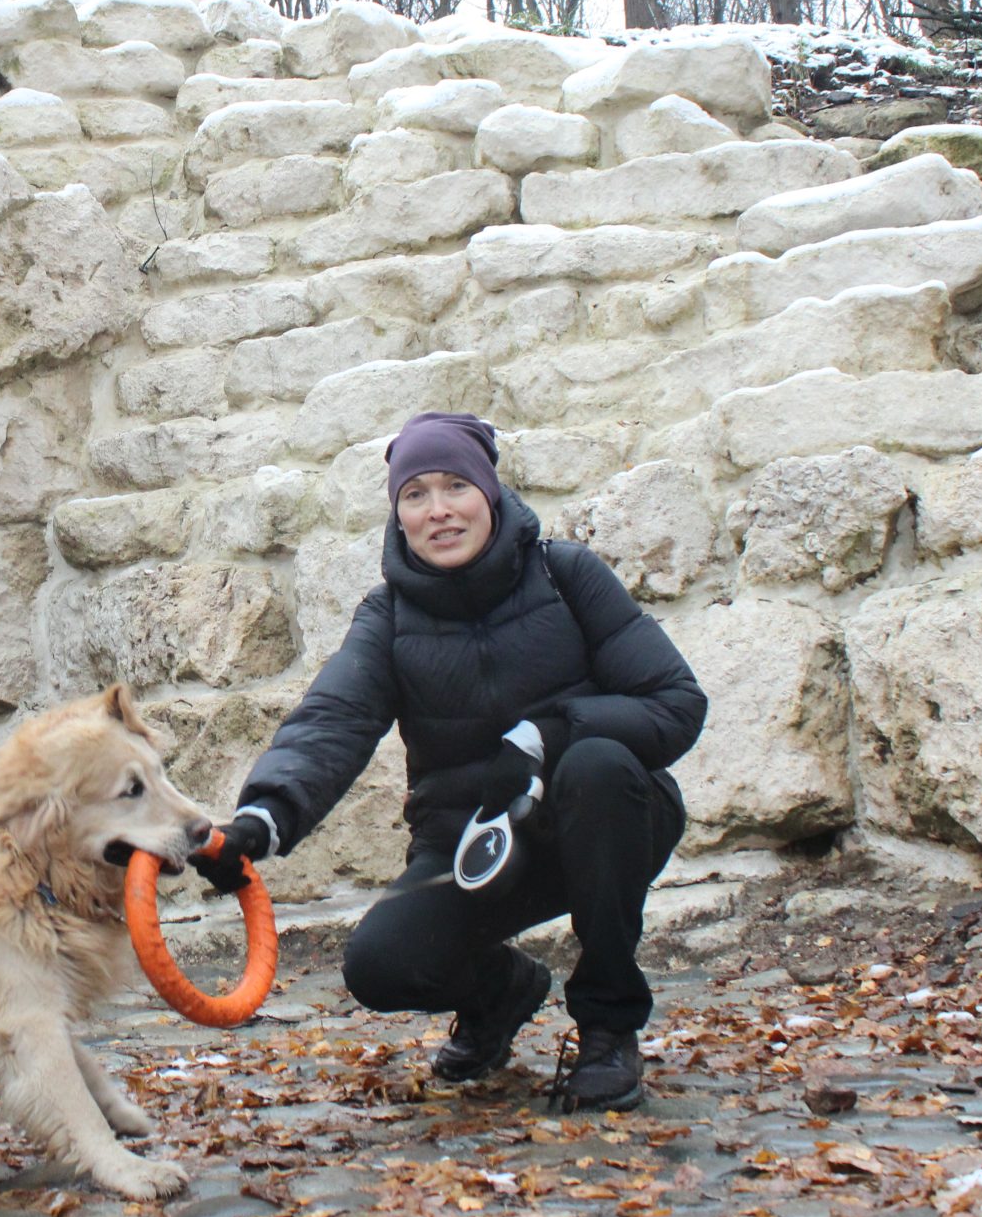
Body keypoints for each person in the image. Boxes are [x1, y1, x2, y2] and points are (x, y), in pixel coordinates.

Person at [191, 411, 705, 1111]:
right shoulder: (389, 618)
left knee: (597, 768)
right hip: (474, 842)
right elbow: (333, 720)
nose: (438, 510)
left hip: (609, 815)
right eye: (415, 494)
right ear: (398, 514)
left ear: (489, 492)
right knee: (380, 965)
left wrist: (549, 733)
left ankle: (608, 1028)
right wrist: (262, 820)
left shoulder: (567, 574)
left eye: (455, 486)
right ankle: (501, 993)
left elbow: (676, 702)